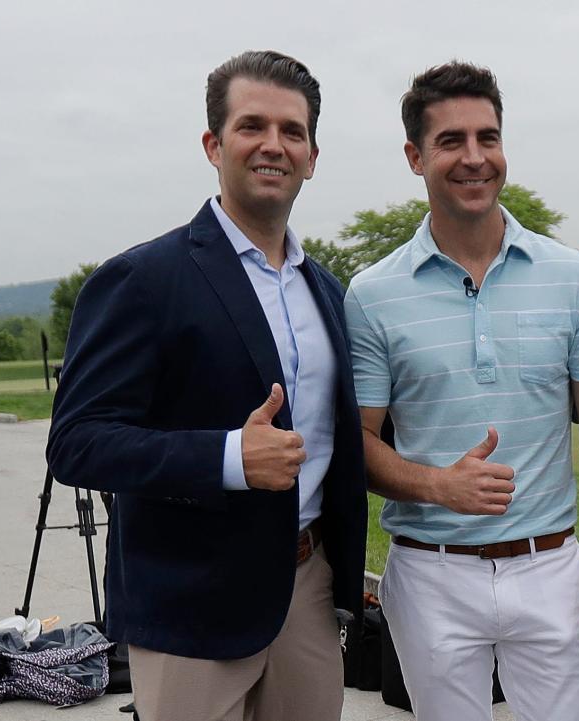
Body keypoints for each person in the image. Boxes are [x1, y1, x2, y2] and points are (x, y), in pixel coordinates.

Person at [46, 50, 367, 721]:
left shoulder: (329, 293)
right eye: (252, 126)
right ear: (213, 144)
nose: (273, 145)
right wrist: (228, 458)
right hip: (189, 603)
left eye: (293, 131)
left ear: (312, 155)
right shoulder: (143, 280)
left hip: (306, 590)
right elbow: (77, 442)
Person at [344, 62, 579, 721]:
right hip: (429, 575)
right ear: (415, 156)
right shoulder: (372, 294)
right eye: (451, 141)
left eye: (489, 137)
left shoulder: (574, 278)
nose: (475, 157)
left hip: (550, 567)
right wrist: (436, 485)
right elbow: (356, 441)